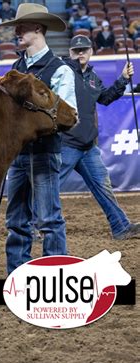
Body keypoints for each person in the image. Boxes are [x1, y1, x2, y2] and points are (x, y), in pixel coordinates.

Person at [0, 3, 78, 274]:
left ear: (37, 28)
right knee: (16, 220)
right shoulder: (16, 68)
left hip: (44, 152)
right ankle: (16, 277)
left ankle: (55, 275)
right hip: (19, 154)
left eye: (21, 27)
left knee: (48, 219)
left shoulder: (60, 69)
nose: (17, 31)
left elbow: (66, 115)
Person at [60, 35, 139, 240]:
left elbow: (105, 98)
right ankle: (31, 227)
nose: (80, 53)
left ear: (91, 51)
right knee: (49, 188)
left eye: (84, 50)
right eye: (76, 50)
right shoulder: (63, 73)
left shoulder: (93, 78)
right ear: (70, 53)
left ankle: (121, 227)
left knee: (103, 187)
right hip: (65, 143)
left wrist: (122, 79)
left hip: (87, 146)